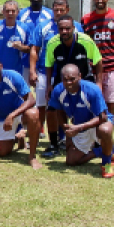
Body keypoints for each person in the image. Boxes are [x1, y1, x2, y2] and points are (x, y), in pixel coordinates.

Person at [48, 64, 114, 178]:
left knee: (105, 130)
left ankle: (106, 164)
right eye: (65, 79)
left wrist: (78, 128)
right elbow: (59, 111)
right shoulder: (58, 91)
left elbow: (103, 117)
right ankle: (110, 149)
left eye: (72, 79)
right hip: (79, 125)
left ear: (80, 76)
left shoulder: (92, 89)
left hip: (99, 122)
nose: (69, 82)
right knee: (71, 161)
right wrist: (66, 128)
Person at [43, 15, 103, 157]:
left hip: (84, 80)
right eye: (61, 29)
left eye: (67, 28)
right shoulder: (52, 43)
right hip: (62, 81)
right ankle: (54, 144)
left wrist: (99, 83)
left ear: (73, 28)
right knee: (51, 110)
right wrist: (48, 86)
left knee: (93, 112)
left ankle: (98, 142)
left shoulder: (85, 41)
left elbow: (98, 61)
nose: (64, 31)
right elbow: (49, 65)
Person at [29, 0, 83, 138]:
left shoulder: (76, 27)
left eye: (62, 10)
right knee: (42, 106)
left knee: (65, 105)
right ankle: (38, 134)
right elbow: (34, 49)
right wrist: (32, 70)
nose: (58, 13)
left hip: (67, 75)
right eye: (56, 10)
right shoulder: (42, 26)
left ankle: (64, 135)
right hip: (44, 72)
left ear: (68, 10)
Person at [0, 55, 42, 170]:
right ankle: (18, 137)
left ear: (1, 66)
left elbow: (31, 100)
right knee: (1, 152)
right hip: (4, 118)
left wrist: (12, 115)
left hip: (21, 114)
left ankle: (32, 157)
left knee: (33, 114)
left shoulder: (13, 76)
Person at [81, 0, 114, 114]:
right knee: (91, 103)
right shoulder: (86, 19)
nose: (100, 0)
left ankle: (108, 132)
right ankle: (94, 133)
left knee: (110, 104)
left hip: (112, 67)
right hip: (93, 68)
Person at [17, 0, 53, 83]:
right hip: (25, 58)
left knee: (42, 87)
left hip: (43, 58)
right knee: (25, 88)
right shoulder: (22, 14)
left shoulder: (50, 13)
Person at [0, 0, 31, 75]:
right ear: (3, 12)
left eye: (13, 11)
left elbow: (30, 49)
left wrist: (21, 47)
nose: (10, 13)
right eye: (7, 11)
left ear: (18, 12)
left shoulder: (24, 28)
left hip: (17, 71)